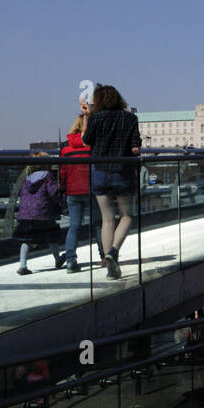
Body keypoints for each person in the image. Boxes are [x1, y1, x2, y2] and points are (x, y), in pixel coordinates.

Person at [82, 84, 141, 278]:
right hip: (122, 172)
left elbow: (86, 141)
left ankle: (110, 268)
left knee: (107, 219)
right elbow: (135, 149)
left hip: (99, 172)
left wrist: (86, 116)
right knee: (126, 216)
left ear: (98, 100)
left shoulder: (96, 118)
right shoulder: (130, 118)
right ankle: (113, 252)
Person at [13, 152, 66, 274]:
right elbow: (53, 193)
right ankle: (57, 259)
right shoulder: (47, 176)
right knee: (52, 234)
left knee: (26, 239)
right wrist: (63, 200)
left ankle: (23, 265)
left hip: (26, 215)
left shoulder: (27, 179)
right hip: (43, 213)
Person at [59, 114, 96, 273]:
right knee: (100, 225)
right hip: (92, 190)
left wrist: (63, 188)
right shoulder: (92, 147)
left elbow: (62, 173)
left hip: (72, 192)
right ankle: (104, 257)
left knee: (74, 227)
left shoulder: (66, 150)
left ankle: (70, 261)